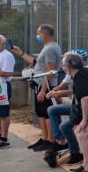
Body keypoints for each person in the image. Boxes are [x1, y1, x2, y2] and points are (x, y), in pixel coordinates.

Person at [11, 24, 63, 152]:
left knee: (47, 114)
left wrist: (43, 90)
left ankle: (51, 140)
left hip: (46, 85)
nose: (37, 36)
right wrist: (21, 53)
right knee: (40, 113)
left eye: (38, 33)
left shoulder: (50, 49)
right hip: (39, 83)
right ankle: (45, 138)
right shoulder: (47, 47)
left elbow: (50, 71)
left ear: (44, 34)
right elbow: (36, 63)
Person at [44, 48, 88, 169]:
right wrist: (54, 91)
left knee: (64, 126)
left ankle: (75, 152)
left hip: (84, 107)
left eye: (65, 65)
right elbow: (64, 85)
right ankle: (60, 140)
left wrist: (84, 119)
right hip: (77, 105)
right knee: (52, 110)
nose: (63, 67)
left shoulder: (84, 73)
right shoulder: (72, 72)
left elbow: (83, 93)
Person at [64, 53, 88, 172]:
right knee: (79, 131)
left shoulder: (80, 76)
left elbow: (85, 98)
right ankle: (86, 165)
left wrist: (84, 119)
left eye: (64, 65)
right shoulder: (84, 72)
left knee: (82, 134)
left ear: (68, 66)